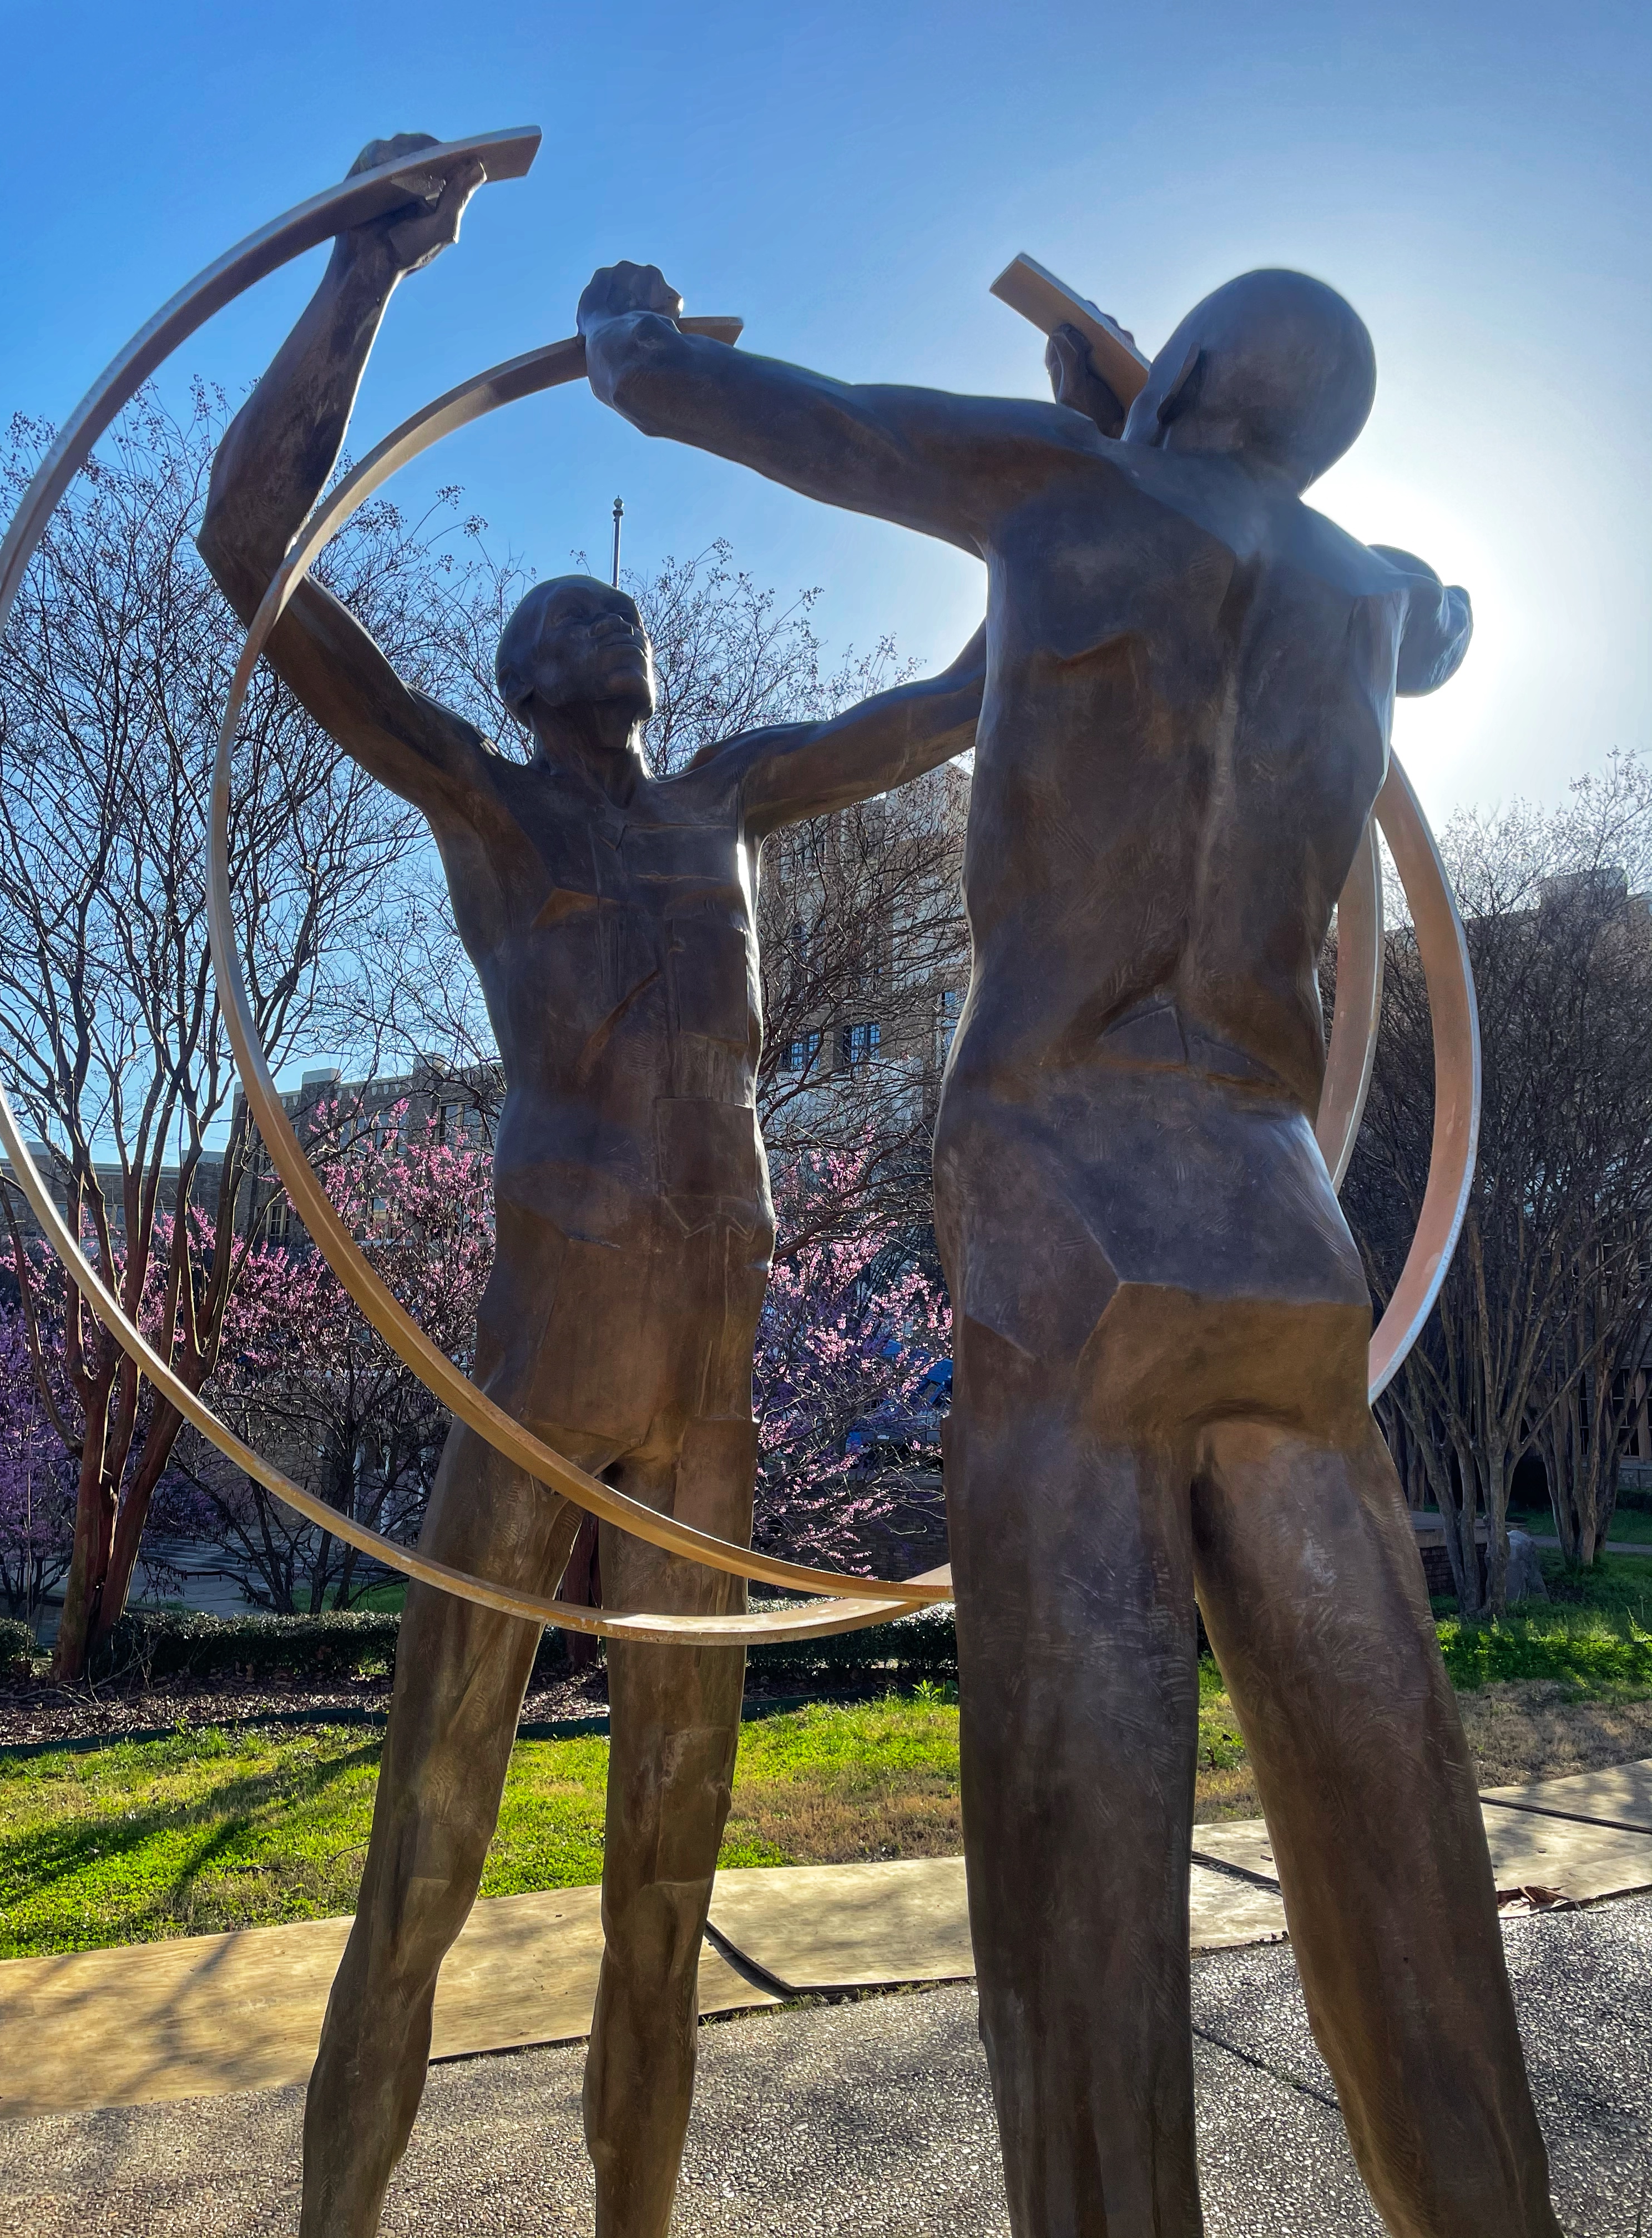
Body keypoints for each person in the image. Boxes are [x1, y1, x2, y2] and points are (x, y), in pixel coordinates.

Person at [578, 259, 1562, 2238]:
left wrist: (640, 344)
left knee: (1080, 1882)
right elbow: (1443, 626)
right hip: (1281, 1224)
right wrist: (1319, 522)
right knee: (1404, 1862)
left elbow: (772, 415)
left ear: (1175, 371)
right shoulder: (1370, 598)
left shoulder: (1058, 486)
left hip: (1065, 1187)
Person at [196, 138, 984, 2238]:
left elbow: (952, 702)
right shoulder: (478, 795)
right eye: (571, 610)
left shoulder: (728, 801)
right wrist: (374, 259)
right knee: (428, 1848)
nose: (607, 613)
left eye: (616, 608)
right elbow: (251, 540)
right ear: (533, 678)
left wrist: (1078, 487)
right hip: (544, 1369)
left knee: (672, 1863)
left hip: (708, 1391)